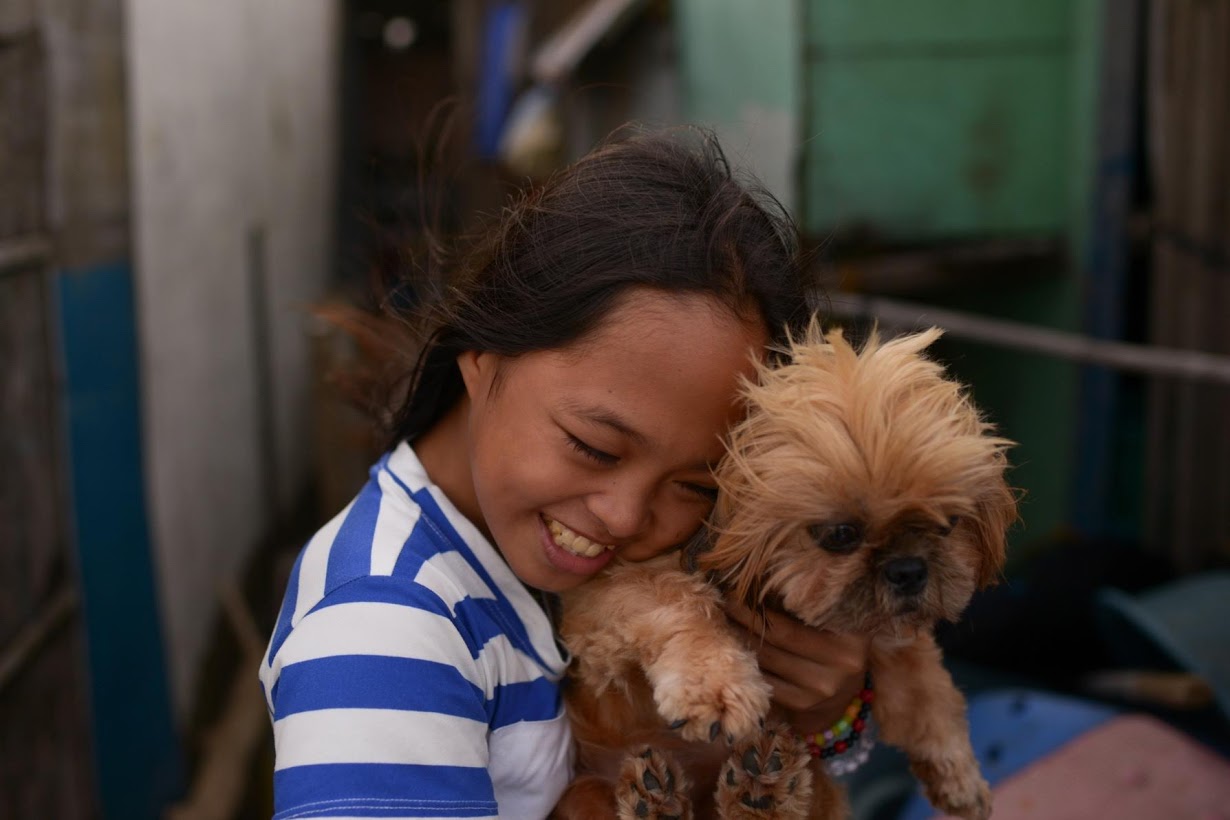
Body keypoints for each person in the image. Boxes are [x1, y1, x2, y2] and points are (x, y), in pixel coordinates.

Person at [260, 127, 870, 820]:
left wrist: (827, 718)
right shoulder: (385, 625)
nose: (626, 516)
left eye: (698, 486)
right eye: (595, 447)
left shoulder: (523, 570)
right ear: (483, 352)